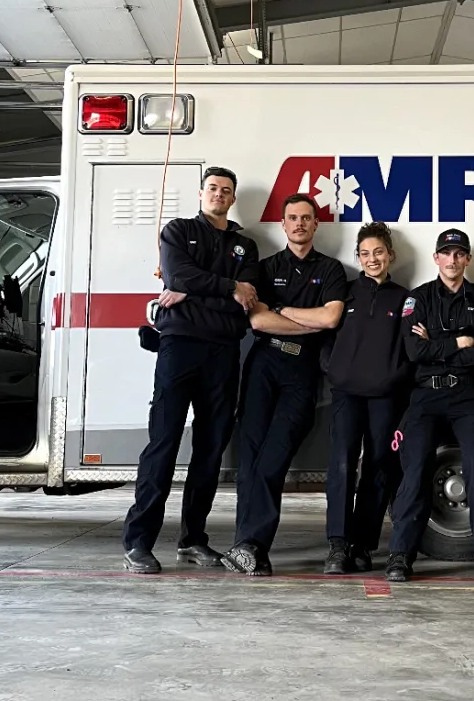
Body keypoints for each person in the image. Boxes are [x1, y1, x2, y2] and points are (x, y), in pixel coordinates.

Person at [122, 166, 260, 575]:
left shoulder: (245, 246)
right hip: (178, 348)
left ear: (233, 199)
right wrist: (225, 286)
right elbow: (180, 275)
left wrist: (193, 292)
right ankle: (138, 543)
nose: (219, 194)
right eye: (213, 188)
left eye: (226, 190)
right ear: (202, 194)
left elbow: (246, 300)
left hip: (223, 353)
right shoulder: (178, 231)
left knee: (210, 451)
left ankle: (193, 541)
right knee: (162, 446)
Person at [222, 194, 347, 576]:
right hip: (263, 364)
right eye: (292, 218)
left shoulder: (331, 270)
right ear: (283, 223)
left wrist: (285, 312)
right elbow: (258, 322)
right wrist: (306, 321)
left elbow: (331, 319)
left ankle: (250, 546)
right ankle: (249, 549)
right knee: (251, 460)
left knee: (273, 459)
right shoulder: (264, 267)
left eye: (306, 218)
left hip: (301, 371)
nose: (299, 224)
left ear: (315, 224)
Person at [385, 228, 474, 584]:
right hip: (425, 396)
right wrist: (459, 341)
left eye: (459, 253)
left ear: (467, 259)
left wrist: (438, 341)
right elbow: (414, 351)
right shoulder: (417, 299)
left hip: (467, 396)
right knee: (416, 467)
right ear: (435, 258)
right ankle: (400, 556)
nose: (452, 260)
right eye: (446, 253)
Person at [321, 222, 412, 575]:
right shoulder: (344, 293)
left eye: (378, 252)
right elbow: (326, 338)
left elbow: (410, 349)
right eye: (365, 253)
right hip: (346, 394)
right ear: (357, 258)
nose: (372, 259)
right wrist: (334, 370)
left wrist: (394, 377)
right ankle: (338, 545)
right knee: (342, 465)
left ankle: (363, 546)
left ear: (390, 255)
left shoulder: (405, 298)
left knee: (378, 467)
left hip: (386, 398)